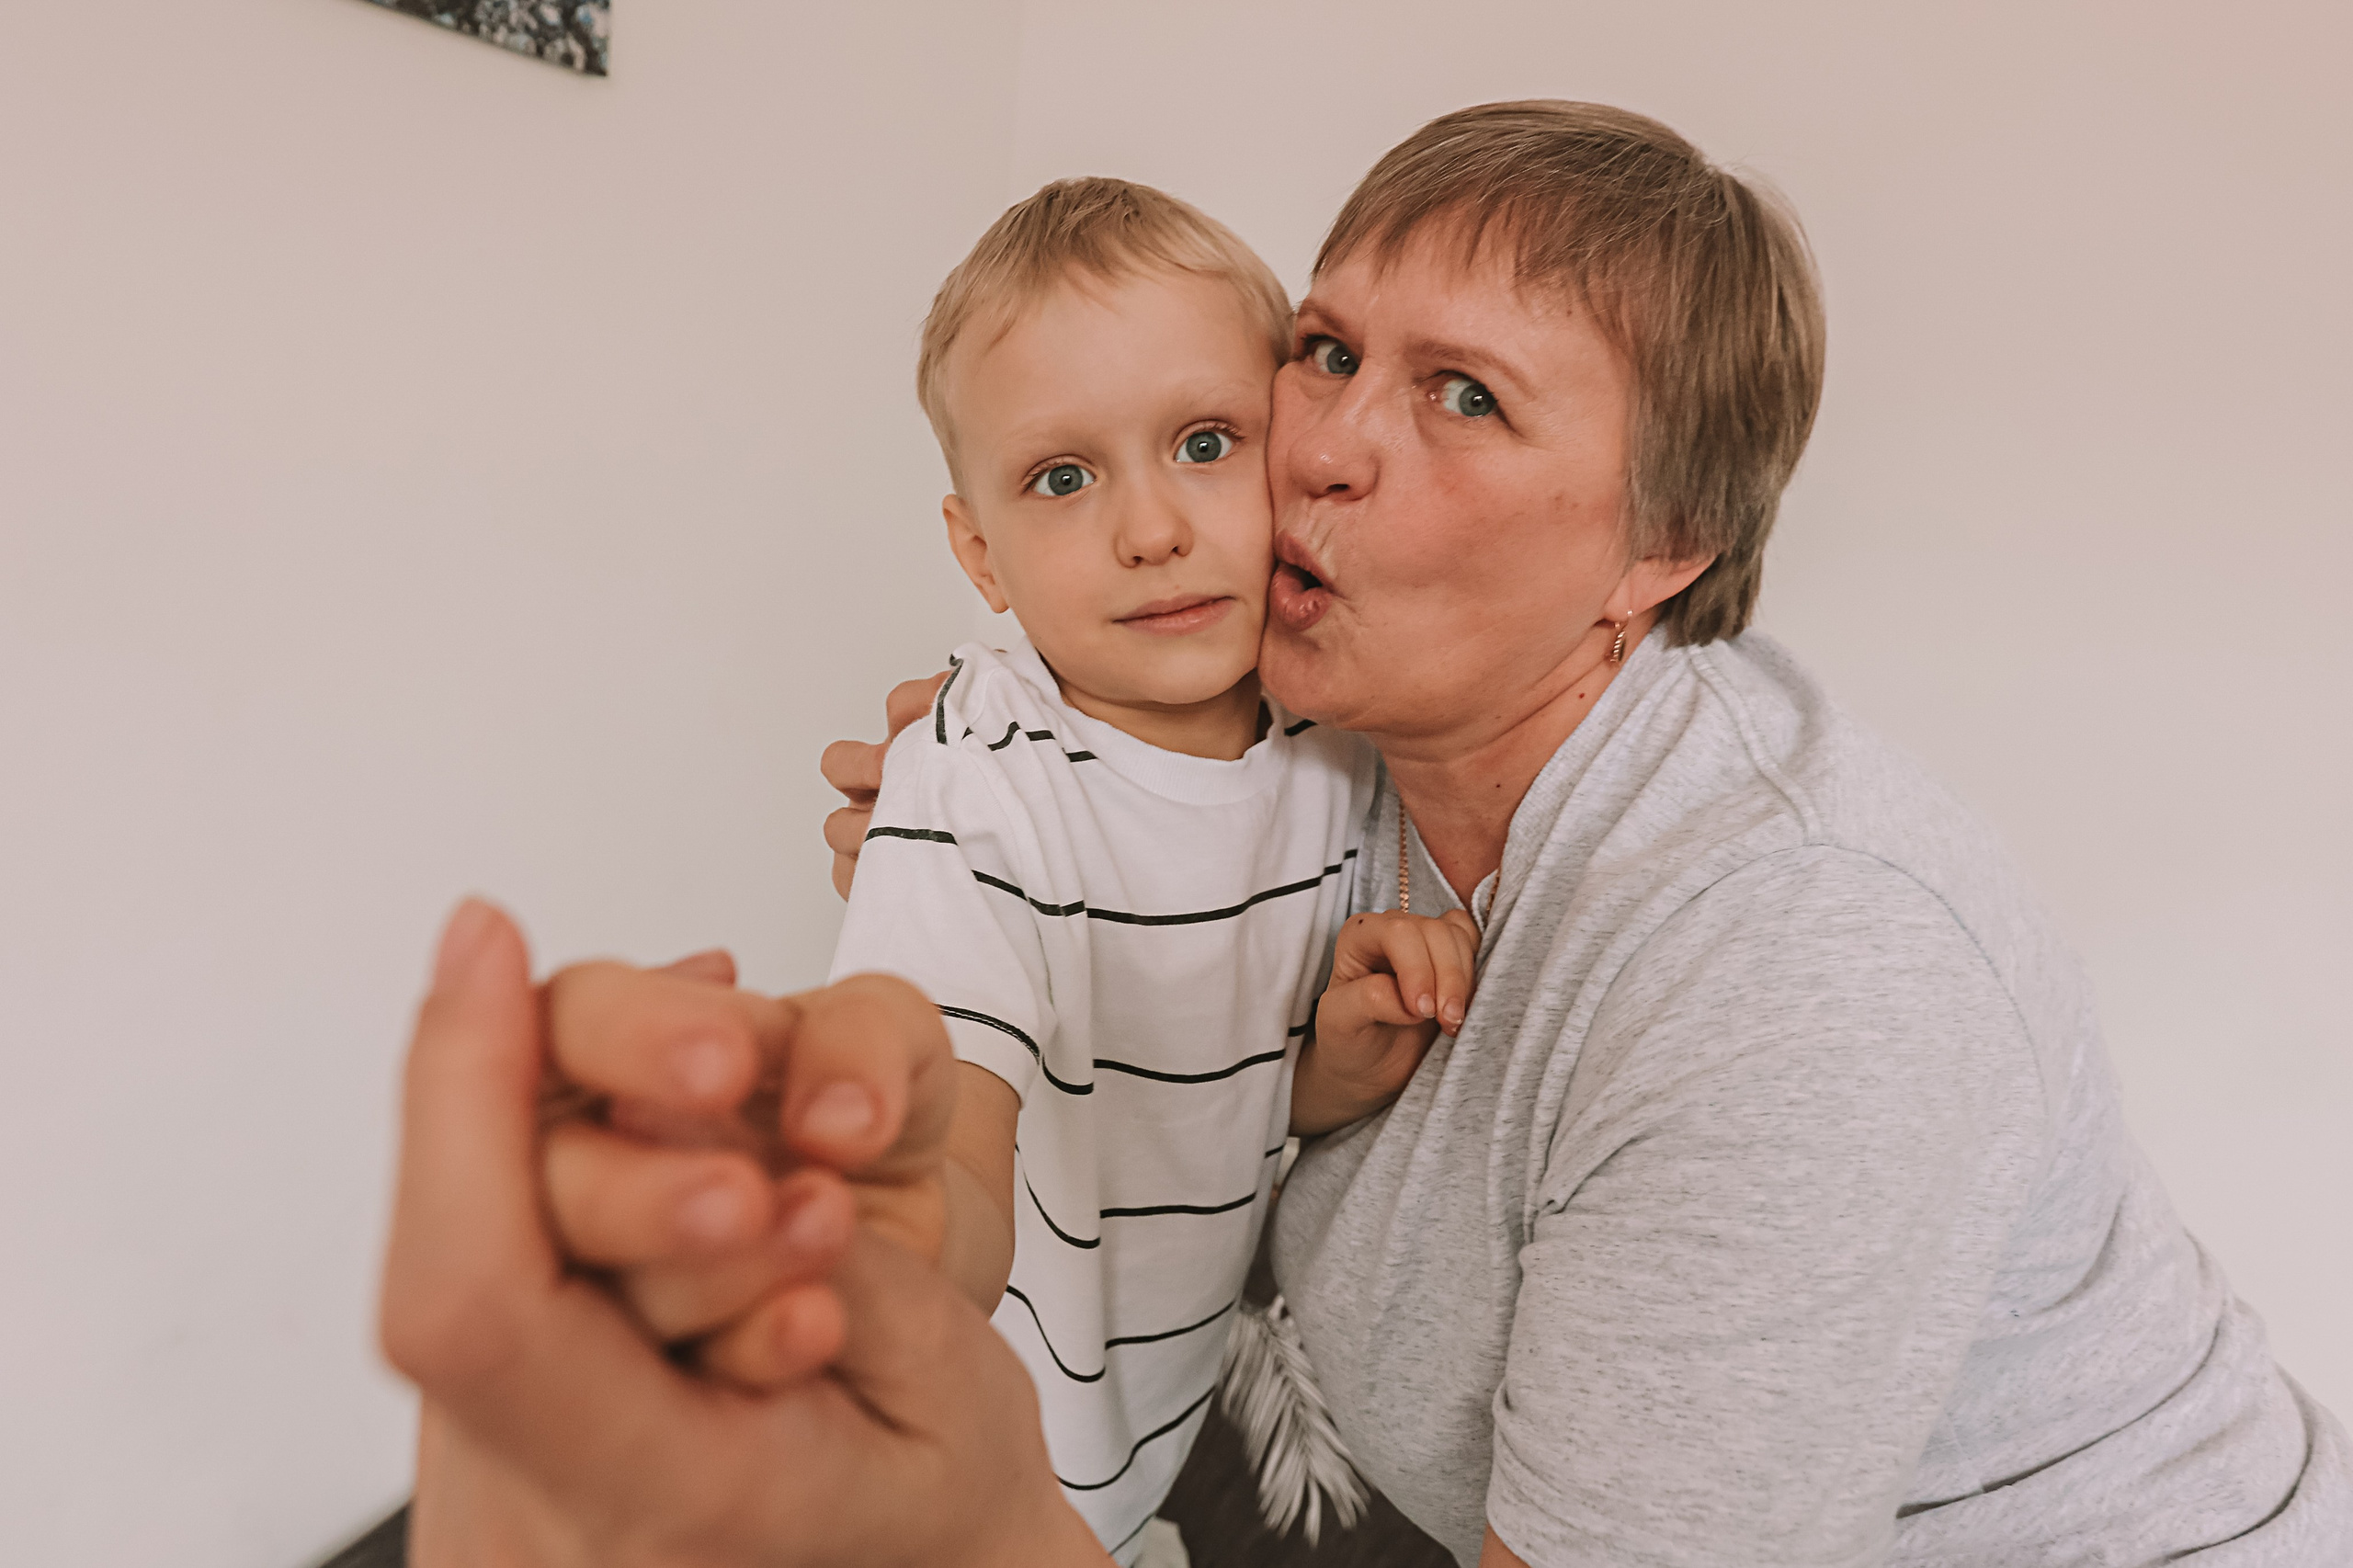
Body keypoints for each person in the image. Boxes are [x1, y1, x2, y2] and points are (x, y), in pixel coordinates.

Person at [385, 100, 2353, 1565]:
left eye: (1465, 399)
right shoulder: (1327, 749)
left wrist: (981, 1521)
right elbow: (1023, 1007)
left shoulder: (1793, 968)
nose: (1317, 442)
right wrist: (987, 978)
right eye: (1321, 352)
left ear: (1656, 553)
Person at [823, 175, 1473, 1558]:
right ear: (979, 552)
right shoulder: (977, 769)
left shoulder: (1333, 750)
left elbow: (1198, 1092)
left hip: (1155, 1421)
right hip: (977, 1455)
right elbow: (951, 1119)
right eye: (1065, 477)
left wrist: (1328, 1069)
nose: (1151, 528)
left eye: (1203, 442)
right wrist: (889, 1250)